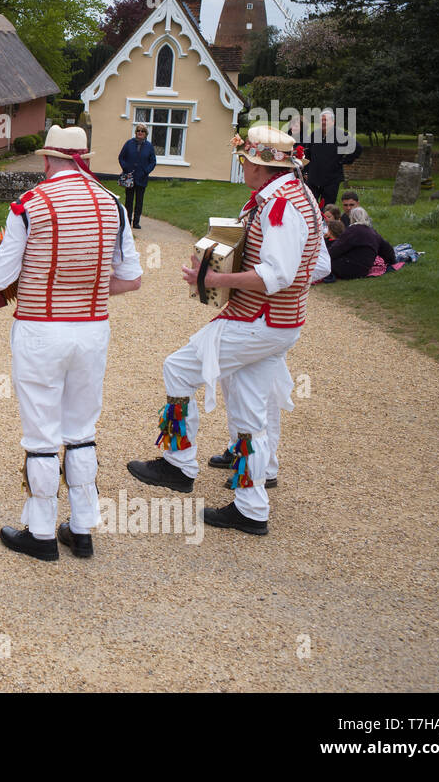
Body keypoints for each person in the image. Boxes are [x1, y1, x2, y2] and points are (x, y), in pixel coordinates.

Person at [126, 126, 327, 535]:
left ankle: (178, 465)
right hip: (277, 322)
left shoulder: (280, 207)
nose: (242, 167)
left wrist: (215, 280)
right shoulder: (301, 197)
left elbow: (278, 274)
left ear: (260, 165)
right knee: (249, 412)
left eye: (246, 161)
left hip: (259, 321)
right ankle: (251, 508)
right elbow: (318, 266)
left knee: (178, 369)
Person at [0, 125, 142, 560]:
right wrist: (88, 290)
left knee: (41, 431)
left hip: (42, 328)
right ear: (84, 158)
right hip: (92, 328)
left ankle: (40, 532)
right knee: (81, 429)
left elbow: (1, 277)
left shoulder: (30, 204)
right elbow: (132, 278)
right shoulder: (113, 205)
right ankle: (81, 527)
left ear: (47, 160)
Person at [304, 108, 359, 207]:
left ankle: (326, 222)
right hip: (313, 179)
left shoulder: (340, 135)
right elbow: (307, 154)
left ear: (333, 122)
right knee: (311, 207)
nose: (323, 122)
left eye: (326, 120)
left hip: (331, 180)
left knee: (328, 208)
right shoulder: (314, 135)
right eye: (322, 120)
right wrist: (306, 171)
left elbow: (357, 148)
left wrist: (345, 161)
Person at [328, 207, 396, 279]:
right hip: (363, 270)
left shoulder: (352, 231)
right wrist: (392, 261)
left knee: (323, 264)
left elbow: (336, 249)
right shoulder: (373, 233)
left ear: (352, 218)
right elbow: (387, 250)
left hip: (348, 269)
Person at [117, 123, 157, 229]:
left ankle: (136, 222)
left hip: (142, 178)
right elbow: (121, 157)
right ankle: (127, 221)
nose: (140, 133)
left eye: (142, 131)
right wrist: (126, 168)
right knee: (128, 201)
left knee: (139, 201)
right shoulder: (129, 143)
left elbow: (153, 162)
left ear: (145, 134)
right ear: (135, 132)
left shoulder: (149, 146)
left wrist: (146, 171)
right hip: (129, 177)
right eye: (138, 131)